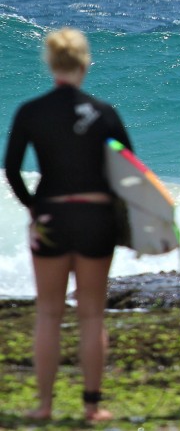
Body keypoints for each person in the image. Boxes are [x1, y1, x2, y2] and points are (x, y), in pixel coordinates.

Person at [3, 28, 131, 423]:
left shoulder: (31, 111)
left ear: (51, 63)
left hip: (51, 216)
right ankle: (92, 407)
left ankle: (44, 406)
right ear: (84, 62)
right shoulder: (104, 112)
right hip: (94, 217)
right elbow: (130, 171)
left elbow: (11, 168)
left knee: (48, 313)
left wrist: (32, 206)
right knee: (92, 313)